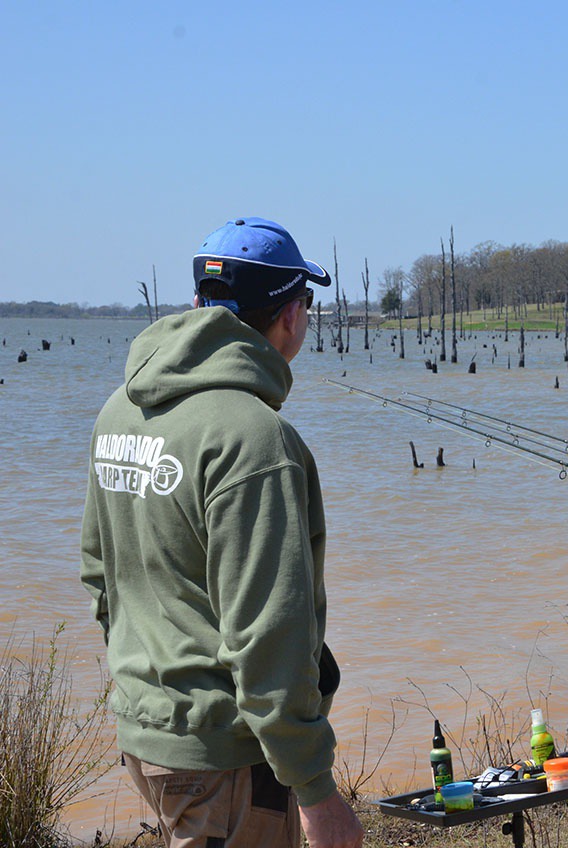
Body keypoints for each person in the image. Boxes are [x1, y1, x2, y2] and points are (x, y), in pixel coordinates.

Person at [81, 217, 363, 848]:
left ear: (198, 304)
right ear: (291, 316)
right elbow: (270, 631)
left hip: (146, 733)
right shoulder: (255, 439)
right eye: (306, 305)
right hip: (225, 756)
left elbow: (100, 576)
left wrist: (153, 686)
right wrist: (318, 793)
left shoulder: (119, 409)